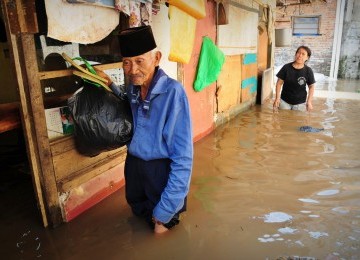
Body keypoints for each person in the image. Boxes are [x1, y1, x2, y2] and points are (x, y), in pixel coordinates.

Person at [96, 26, 193, 234]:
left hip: (160, 173)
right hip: (134, 168)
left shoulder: (173, 93)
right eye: (126, 63)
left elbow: (183, 158)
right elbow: (129, 105)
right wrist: (111, 84)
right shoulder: (133, 87)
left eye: (140, 61)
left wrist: (166, 210)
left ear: (156, 58)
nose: (132, 70)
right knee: (138, 219)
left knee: (160, 230)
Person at [273, 45, 316, 112]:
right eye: (298, 53)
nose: (300, 55)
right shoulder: (286, 67)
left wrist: (309, 102)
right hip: (284, 101)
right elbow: (279, 83)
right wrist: (277, 98)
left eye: (303, 54)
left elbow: (311, 87)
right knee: (282, 119)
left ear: (307, 57)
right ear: (296, 54)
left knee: (298, 121)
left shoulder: (308, 71)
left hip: (300, 103)